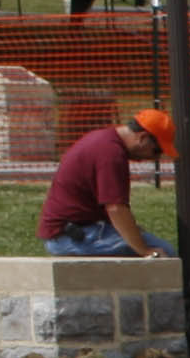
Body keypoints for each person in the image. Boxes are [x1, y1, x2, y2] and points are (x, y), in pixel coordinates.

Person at [37, 108, 178, 257]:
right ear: (142, 138)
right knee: (164, 252)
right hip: (73, 237)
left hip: (69, 232)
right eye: (156, 151)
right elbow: (116, 208)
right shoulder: (111, 154)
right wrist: (145, 251)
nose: (155, 158)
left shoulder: (104, 140)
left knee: (142, 239)